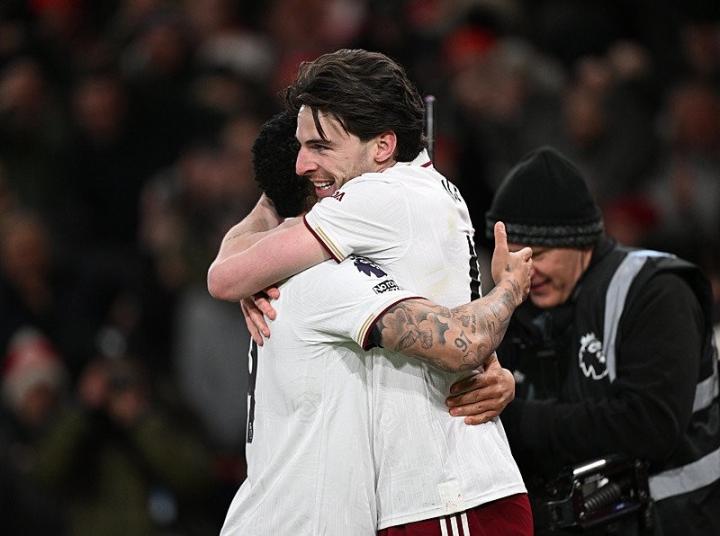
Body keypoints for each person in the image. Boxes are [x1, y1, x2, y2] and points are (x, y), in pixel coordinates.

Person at [209, 49, 534, 535]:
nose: (303, 164)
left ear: (383, 146)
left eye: (320, 146)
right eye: (299, 147)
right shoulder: (421, 189)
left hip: (446, 490)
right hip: (423, 491)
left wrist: (509, 289)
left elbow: (225, 275)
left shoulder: (377, 197)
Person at [476, 146, 720, 535]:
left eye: (539, 254)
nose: (525, 271)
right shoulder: (515, 302)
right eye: (513, 256)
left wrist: (514, 417)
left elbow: (649, 424)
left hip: (675, 520)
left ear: (583, 240)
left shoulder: (656, 292)